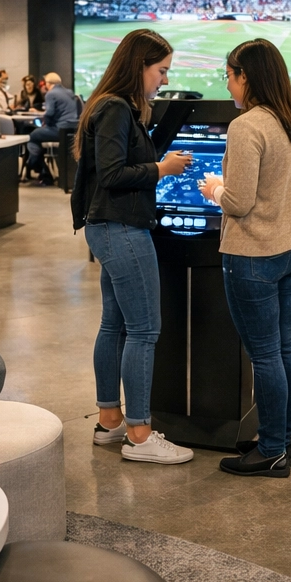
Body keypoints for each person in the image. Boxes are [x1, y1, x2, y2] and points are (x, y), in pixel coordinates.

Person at [70, 29, 195, 465]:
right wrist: (162, 169)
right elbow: (112, 174)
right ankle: (140, 435)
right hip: (121, 228)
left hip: (110, 227)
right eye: (161, 70)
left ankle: (111, 421)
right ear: (139, 65)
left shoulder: (114, 107)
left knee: (116, 325)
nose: (164, 79)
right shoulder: (115, 108)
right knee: (144, 330)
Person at [196, 40, 291, 478]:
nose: (228, 86)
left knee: (265, 354)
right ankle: (281, 439)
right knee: (283, 347)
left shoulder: (247, 126)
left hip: (256, 254)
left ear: (245, 75)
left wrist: (214, 189)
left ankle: (271, 449)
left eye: (229, 76)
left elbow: (240, 202)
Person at [27, 72, 80, 185]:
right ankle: (40, 169)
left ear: (47, 83)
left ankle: (38, 168)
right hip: (72, 130)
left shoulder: (50, 94)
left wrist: (46, 123)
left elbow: (49, 113)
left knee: (32, 136)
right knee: (37, 137)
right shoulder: (69, 92)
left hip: (59, 130)